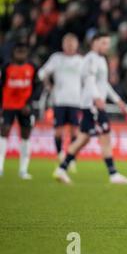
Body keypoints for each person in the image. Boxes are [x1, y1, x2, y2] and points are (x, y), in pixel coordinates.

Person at [53, 32, 127, 185]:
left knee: (83, 139)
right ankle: (113, 174)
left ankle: (61, 169)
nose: (106, 46)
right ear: (94, 43)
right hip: (92, 105)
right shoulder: (91, 59)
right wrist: (97, 98)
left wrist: (118, 100)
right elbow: (89, 81)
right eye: (103, 43)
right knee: (105, 136)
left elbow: (104, 83)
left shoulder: (100, 59)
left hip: (91, 104)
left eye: (108, 44)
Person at [38, 33, 83, 171]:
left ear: (76, 45)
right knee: (59, 131)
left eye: (72, 43)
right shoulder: (56, 58)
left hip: (76, 100)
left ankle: (72, 158)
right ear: (63, 45)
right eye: (67, 43)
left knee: (75, 132)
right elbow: (42, 73)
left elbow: (89, 79)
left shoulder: (81, 60)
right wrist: (48, 85)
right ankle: (60, 155)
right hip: (59, 100)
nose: (70, 46)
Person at [0, 43, 40, 179]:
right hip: (8, 106)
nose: (21, 55)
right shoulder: (6, 67)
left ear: (27, 53)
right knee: (4, 131)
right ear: (13, 53)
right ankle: (0, 167)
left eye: (23, 52)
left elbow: (37, 87)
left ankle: (23, 170)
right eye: (18, 52)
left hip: (25, 107)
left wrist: (29, 103)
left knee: (26, 134)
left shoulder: (32, 67)